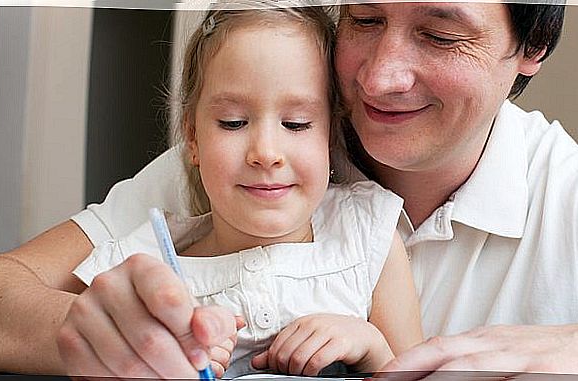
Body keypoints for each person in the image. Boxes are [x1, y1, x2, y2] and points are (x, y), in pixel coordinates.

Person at [0, 0, 578, 378]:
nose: (377, 78)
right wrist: (84, 331)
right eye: (364, 21)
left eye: (438, 33)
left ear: (531, 46)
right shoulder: (245, 167)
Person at [65, 5, 421, 379]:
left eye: (296, 124)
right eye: (233, 123)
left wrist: (372, 349)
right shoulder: (140, 264)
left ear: (330, 134)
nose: (266, 153)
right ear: (192, 137)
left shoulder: (368, 236)